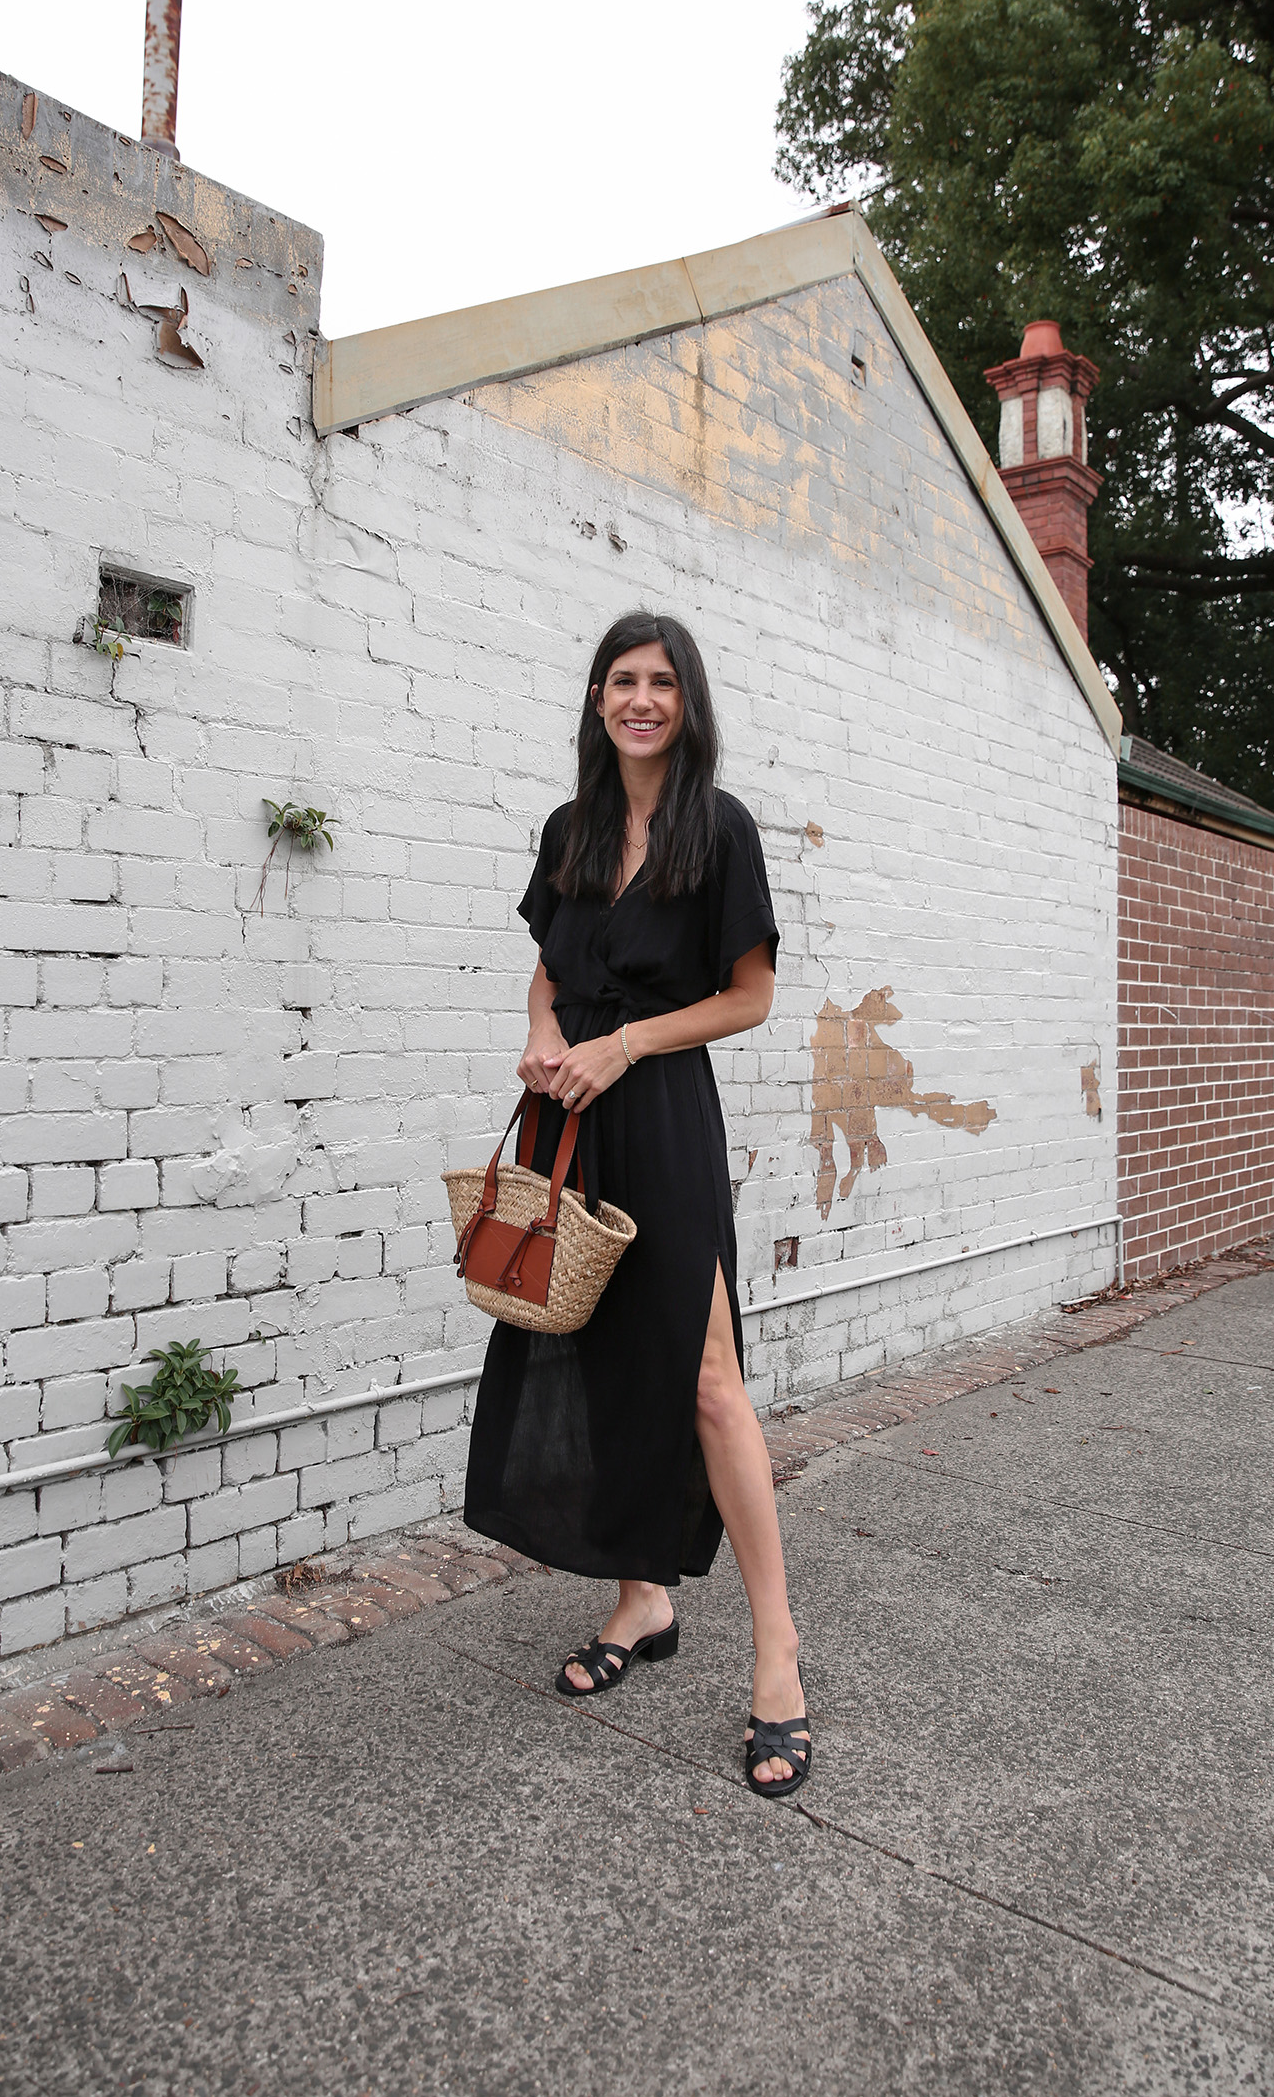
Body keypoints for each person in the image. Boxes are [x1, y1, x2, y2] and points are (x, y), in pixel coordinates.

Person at [463, 612, 811, 1796]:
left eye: (662, 682)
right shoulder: (573, 828)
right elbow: (549, 973)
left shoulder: (720, 829)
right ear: (598, 699)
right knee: (604, 1364)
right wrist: (543, 1035)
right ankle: (643, 1601)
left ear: (687, 701)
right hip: (571, 1114)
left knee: (707, 1381)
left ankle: (778, 1654)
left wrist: (625, 1048)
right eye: (623, 680)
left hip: (660, 1116)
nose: (642, 699)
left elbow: (750, 996)